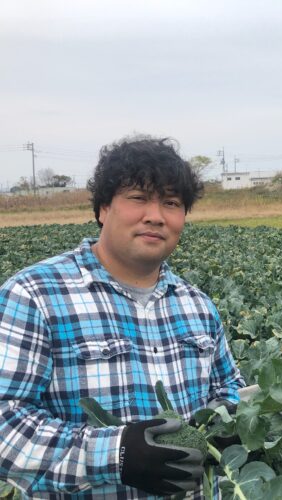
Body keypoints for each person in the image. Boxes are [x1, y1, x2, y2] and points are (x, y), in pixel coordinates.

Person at [0, 136, 245, 499]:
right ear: (103, 208)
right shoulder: (34, 296)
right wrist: (115, 454)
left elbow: (229, 389)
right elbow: (6, 423)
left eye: (171, 203)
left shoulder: (198, 306)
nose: (155, 215)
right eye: (138, 198)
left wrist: (230, 419)